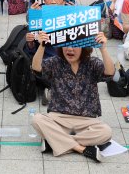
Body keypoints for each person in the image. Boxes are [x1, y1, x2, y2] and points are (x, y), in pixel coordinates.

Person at [30, 32, 114, 163]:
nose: (69, 49)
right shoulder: (55, 62)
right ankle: (81, 149)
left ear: (84, 48)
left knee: (106, 132)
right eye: (66, 45)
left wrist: (103, 48)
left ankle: (54, 142)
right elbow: (36, 68)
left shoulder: (92, 63)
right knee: (37, 119)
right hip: (59, 117)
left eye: (75, 45)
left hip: (87, 119)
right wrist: (41, 46)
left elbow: (110, 73)